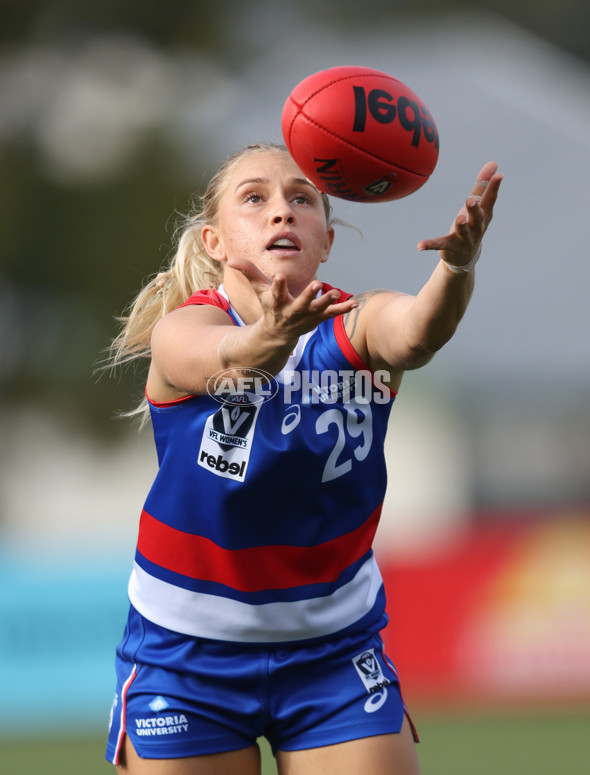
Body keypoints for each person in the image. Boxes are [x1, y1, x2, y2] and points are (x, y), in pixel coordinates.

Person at [104, 141, 502, 775]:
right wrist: (271, 333)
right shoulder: (184, 331)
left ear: (327, 241)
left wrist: (457, 269)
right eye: (255, 198)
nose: (281, 212)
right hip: (186, 652)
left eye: (302, 200)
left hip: (332, 649)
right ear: (215, 243)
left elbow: (419, 331)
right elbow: (234, 356)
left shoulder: (356, 323)